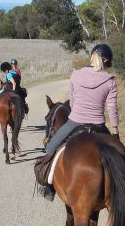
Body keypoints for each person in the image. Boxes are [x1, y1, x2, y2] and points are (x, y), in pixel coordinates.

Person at [35, 43, 119, 200]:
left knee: (50, 148)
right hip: (98, 125)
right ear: (106, 61)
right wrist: (115, 131)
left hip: (74, 122)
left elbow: (72, 102)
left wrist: (78, 112)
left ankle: (48, 188)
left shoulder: (76, 74)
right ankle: (120, 189)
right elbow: (112, 108)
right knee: (121, 157)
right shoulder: (110, 81)